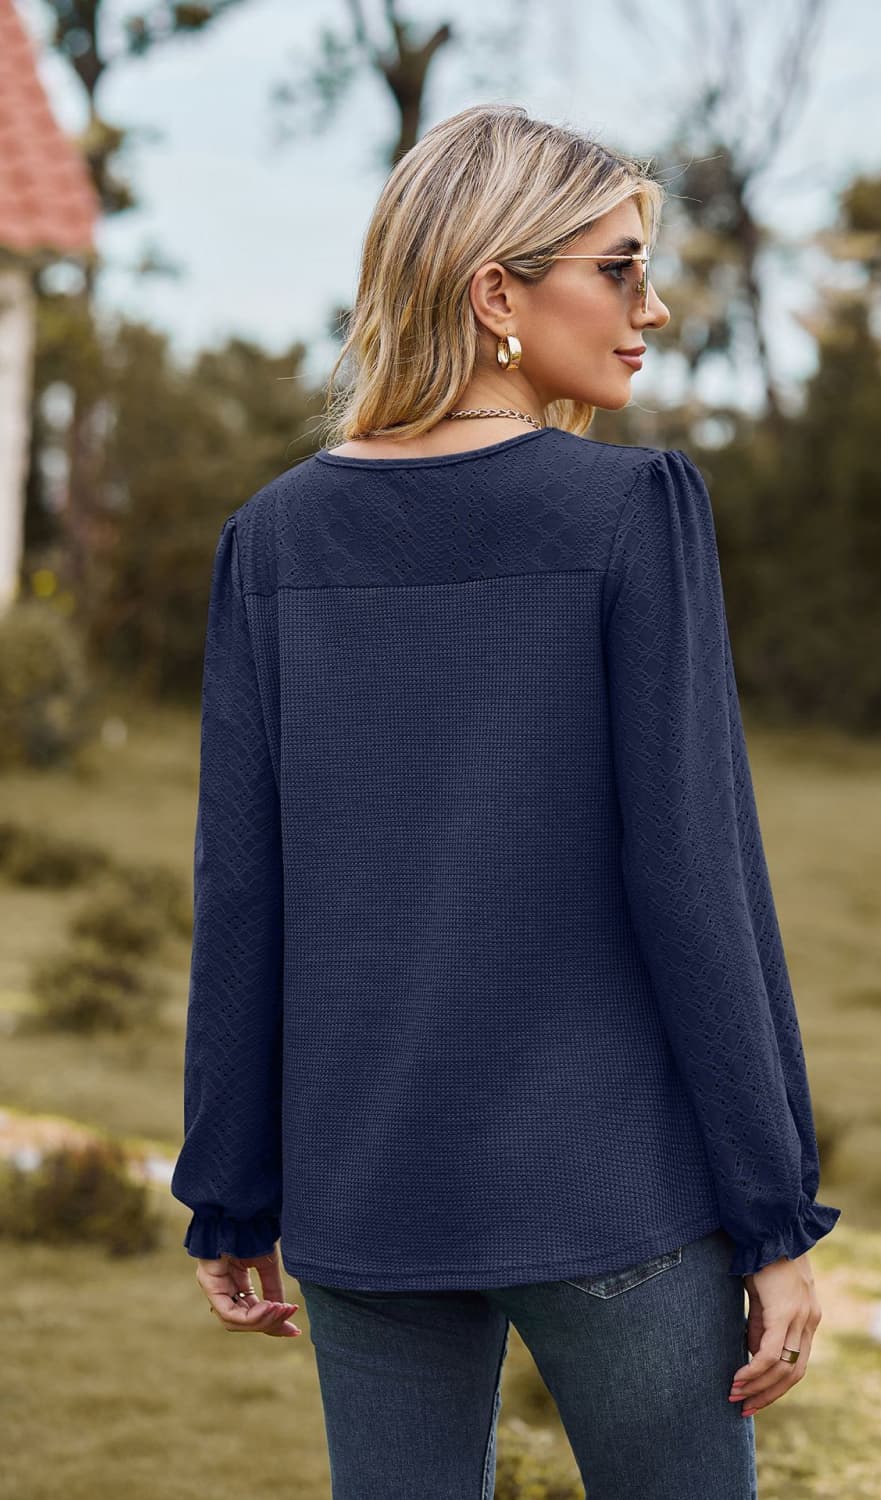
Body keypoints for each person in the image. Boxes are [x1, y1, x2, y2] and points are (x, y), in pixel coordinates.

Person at [170, 102, 842, 1500]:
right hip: (614, 1187)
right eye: (619, 268)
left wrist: (232, 1189)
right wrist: (773, 1216)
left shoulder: (269, 540)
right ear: (496, 295)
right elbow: (694, 875)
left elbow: (244, 890)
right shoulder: (632, 511)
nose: (653, 308)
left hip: (366, 1195)